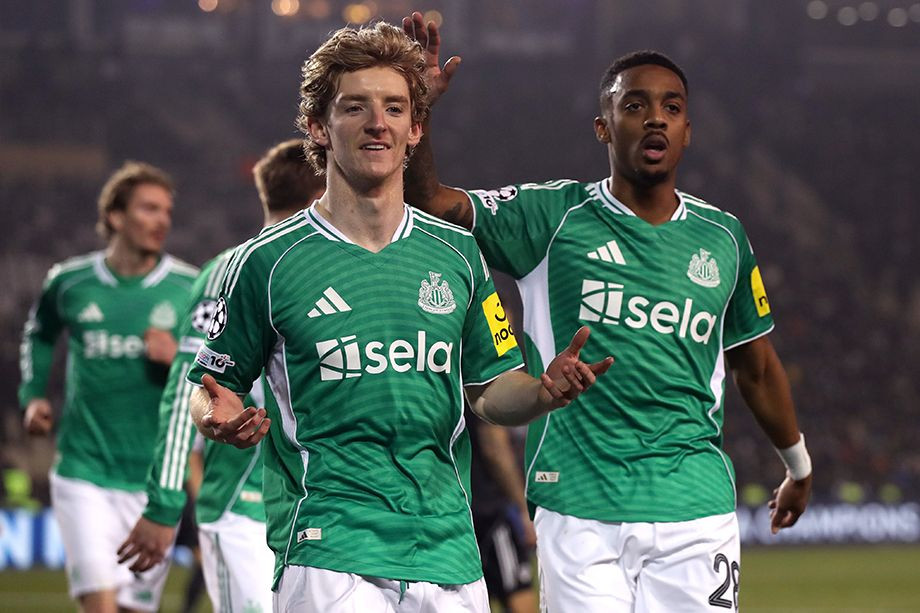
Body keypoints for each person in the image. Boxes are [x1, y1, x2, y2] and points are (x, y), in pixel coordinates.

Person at [185, 22, 612, 613]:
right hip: (328, 548)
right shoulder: (265, 262)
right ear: (318, 126)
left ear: (415, 128)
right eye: (354, 107)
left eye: (394, 107)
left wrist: (541, 392)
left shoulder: (459, 255)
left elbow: (491, 391)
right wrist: (217, 417)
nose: (377, 123)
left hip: (448, 551)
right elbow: (211, 387)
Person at [402, 12, 813, 612]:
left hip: (694, 508)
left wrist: (797, 467)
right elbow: (430, 205)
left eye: (672, 108)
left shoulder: (723, 237)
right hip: (578, 507)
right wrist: (418, 110)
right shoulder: (551, 217)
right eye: (635, 105)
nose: (655, 118)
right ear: (603, 127)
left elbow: (757, 366)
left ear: (688, 131)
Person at [116, 140, 326, 613]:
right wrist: (164, 504)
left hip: (322, 511)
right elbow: (188, 389)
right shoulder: (230, 271)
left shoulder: (336, 268)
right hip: (244, 508)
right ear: (320, 194)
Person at [19, 161, 198, 613]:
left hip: (153, 481)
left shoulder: (189, 286)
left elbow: (220, 369)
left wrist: (179, 356)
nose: (162, 220)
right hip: (84, 472)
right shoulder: (70, 282)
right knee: (99, 607)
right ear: (116, 216)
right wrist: (34, 395)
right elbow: (40, 334)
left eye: (166, 211)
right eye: (149, 209)